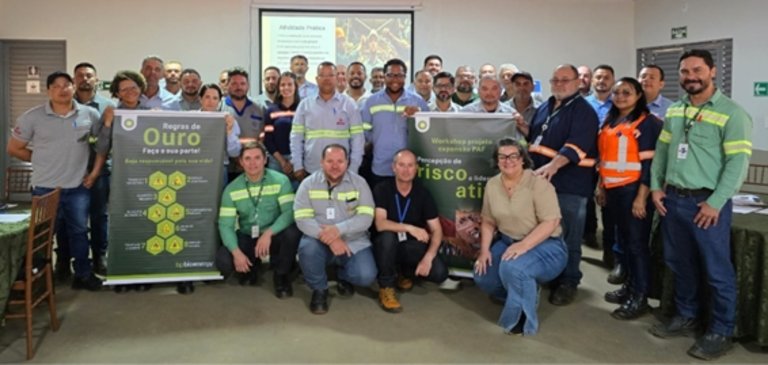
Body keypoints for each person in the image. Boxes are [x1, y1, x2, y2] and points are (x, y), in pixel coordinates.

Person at [649, 49, 752, 361]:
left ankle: (721, 331)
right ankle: (687, 315)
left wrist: (716, 203)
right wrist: (655, 187)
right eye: (685, 71)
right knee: (680, 264)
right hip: (673, 201)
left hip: (706, 204)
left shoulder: (733, 114)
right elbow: (662, 153)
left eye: (697, 70)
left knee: (716, 270)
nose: (690, 77)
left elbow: (737, 165)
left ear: (712, 71)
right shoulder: (675, 110)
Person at [7, 71, 104, 291]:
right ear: (48, 91)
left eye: (66, 85)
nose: (62, 89)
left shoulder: (89, 114)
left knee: (79, 232)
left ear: (73, 87)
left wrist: (94, 173)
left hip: (78, 186)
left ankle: (82, 275)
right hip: (45, 188)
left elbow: (101, 146)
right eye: (56, 86)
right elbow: (14, 148)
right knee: (43, 236)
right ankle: (39, 277)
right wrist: (40, 159)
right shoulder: (32, 117)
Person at [474, 138, 567, 335]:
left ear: (523, 159)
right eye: (502, 157)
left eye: (513, 156)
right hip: (507, 240)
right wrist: (484, 251)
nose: (508, 161)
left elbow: (551, 222)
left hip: (546, 245)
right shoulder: (492, 185)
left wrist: (523, 245)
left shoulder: (539, 183)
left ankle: (521, 321)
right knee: (483, 276)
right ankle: (527, 293)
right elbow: (488, 220)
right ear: (497, 160)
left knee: (513, 267)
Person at [527, 64, 598, 306]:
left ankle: (569, 281)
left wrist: (553, 166)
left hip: (569, 185)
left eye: (565, 80)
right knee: (544, 233)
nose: (559, 84)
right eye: (555, 79)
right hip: (541, 184)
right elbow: (535, 139)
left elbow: (576, 146)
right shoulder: (545, 106)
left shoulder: (584, 111)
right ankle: (552, 274)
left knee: (568, 235)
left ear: (578, 82)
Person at [595, 77, 662, 319]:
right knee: (623, 243)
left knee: (637, 245)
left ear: (638, 95)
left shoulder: (648, 122)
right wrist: (602, 186)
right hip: (613, 191)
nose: (620, 96)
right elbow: (605, 158)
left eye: (627, 92)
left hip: (633, 191)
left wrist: (641, 198)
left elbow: (650, 165)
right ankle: (630, 287)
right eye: (617, 92)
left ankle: (640, 297)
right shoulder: (610, 121)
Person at [294, 144, 377, 314]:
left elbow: (366, 217)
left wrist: (338, 230)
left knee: (366, 276)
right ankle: (320, 289)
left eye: (340, 161)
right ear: (321, 162)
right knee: (307, 249)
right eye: (330, 161)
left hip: (353, 241)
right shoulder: (308, 184)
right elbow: (302, 219)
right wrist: (330, 238)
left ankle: (341, 275)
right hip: (318, 239)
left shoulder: (359, 183)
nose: (335, 166)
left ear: (347, 163)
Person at [216, 141, 301, 297]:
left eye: (257, 158)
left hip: (273, 235)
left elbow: (289, 213)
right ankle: (251, 266)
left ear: (265, 160)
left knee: (293, 232)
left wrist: (268, 233)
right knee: (223, 261)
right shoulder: (231, 189)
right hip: (248, 235)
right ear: (241, 162)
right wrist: (236, 253)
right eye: (247, 159)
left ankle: (281, 275)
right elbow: (225, 225)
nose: (252, 163)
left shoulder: (281, 180)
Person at [373, 149, 449, 313]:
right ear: (394, 167)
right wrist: (409, 227)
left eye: (410, 165)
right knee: (387, 238)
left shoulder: (423, 193)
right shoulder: (382, 189)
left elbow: (437, 229)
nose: (406, 170)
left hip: (409, 245)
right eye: (401, 165)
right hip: (386, 245)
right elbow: (380, 223)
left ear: (416, 168)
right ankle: (386, 286)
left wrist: (429, 257)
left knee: (440, 273)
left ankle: (404, 273)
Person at [71, 62, 116, 277]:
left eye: (89, 75)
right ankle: (66, 259)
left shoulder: (108, 106)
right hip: (70, 170)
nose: (85, 79)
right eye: (80, 76)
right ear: (74, 80)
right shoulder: (66, 104)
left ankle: (100, 256)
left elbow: (110, 140)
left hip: (100, 169)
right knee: (71, 218)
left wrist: (96, 171)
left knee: (99, 216)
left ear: (96, 80)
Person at [360, 58, 428, 189]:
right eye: (390, 75)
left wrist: (418, 114)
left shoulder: (417, 102)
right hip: (380, 167)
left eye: (399, 75)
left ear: (405, 77)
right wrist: (378, 142)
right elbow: (365, 131)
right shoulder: (371, 102)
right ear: (384, 76)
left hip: (408, 170)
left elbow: (426, 133)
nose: (395, 79)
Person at [289, 61, 364, 180]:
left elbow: (358, 139)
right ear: (316, 79)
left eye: (330, 75)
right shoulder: (305, 105)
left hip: (342, 171)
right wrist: (297, 165)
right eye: (322, 75)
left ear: (337, 78)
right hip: (311, 170)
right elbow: (296, 137)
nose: (326, 79)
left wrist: (353, 168)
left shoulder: (349, 104)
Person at [264, 72, 300, 187]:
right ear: (278, 88)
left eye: (289, 84)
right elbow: (268, 139)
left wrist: (294, 160)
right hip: (276, 161)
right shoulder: (271, 110)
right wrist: (282, 161)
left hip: (298, 160)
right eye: (282, 85)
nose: (286, 88)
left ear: (295, 87)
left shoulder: (302, 109)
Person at [224, 67, 264, 144]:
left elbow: (263, 134)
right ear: (227, 85)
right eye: (234, 84)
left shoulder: (259, 109)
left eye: (242, 83)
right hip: (226, 152)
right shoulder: (219, 108)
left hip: (252, 151)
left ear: (248, 86)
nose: (239, 87)